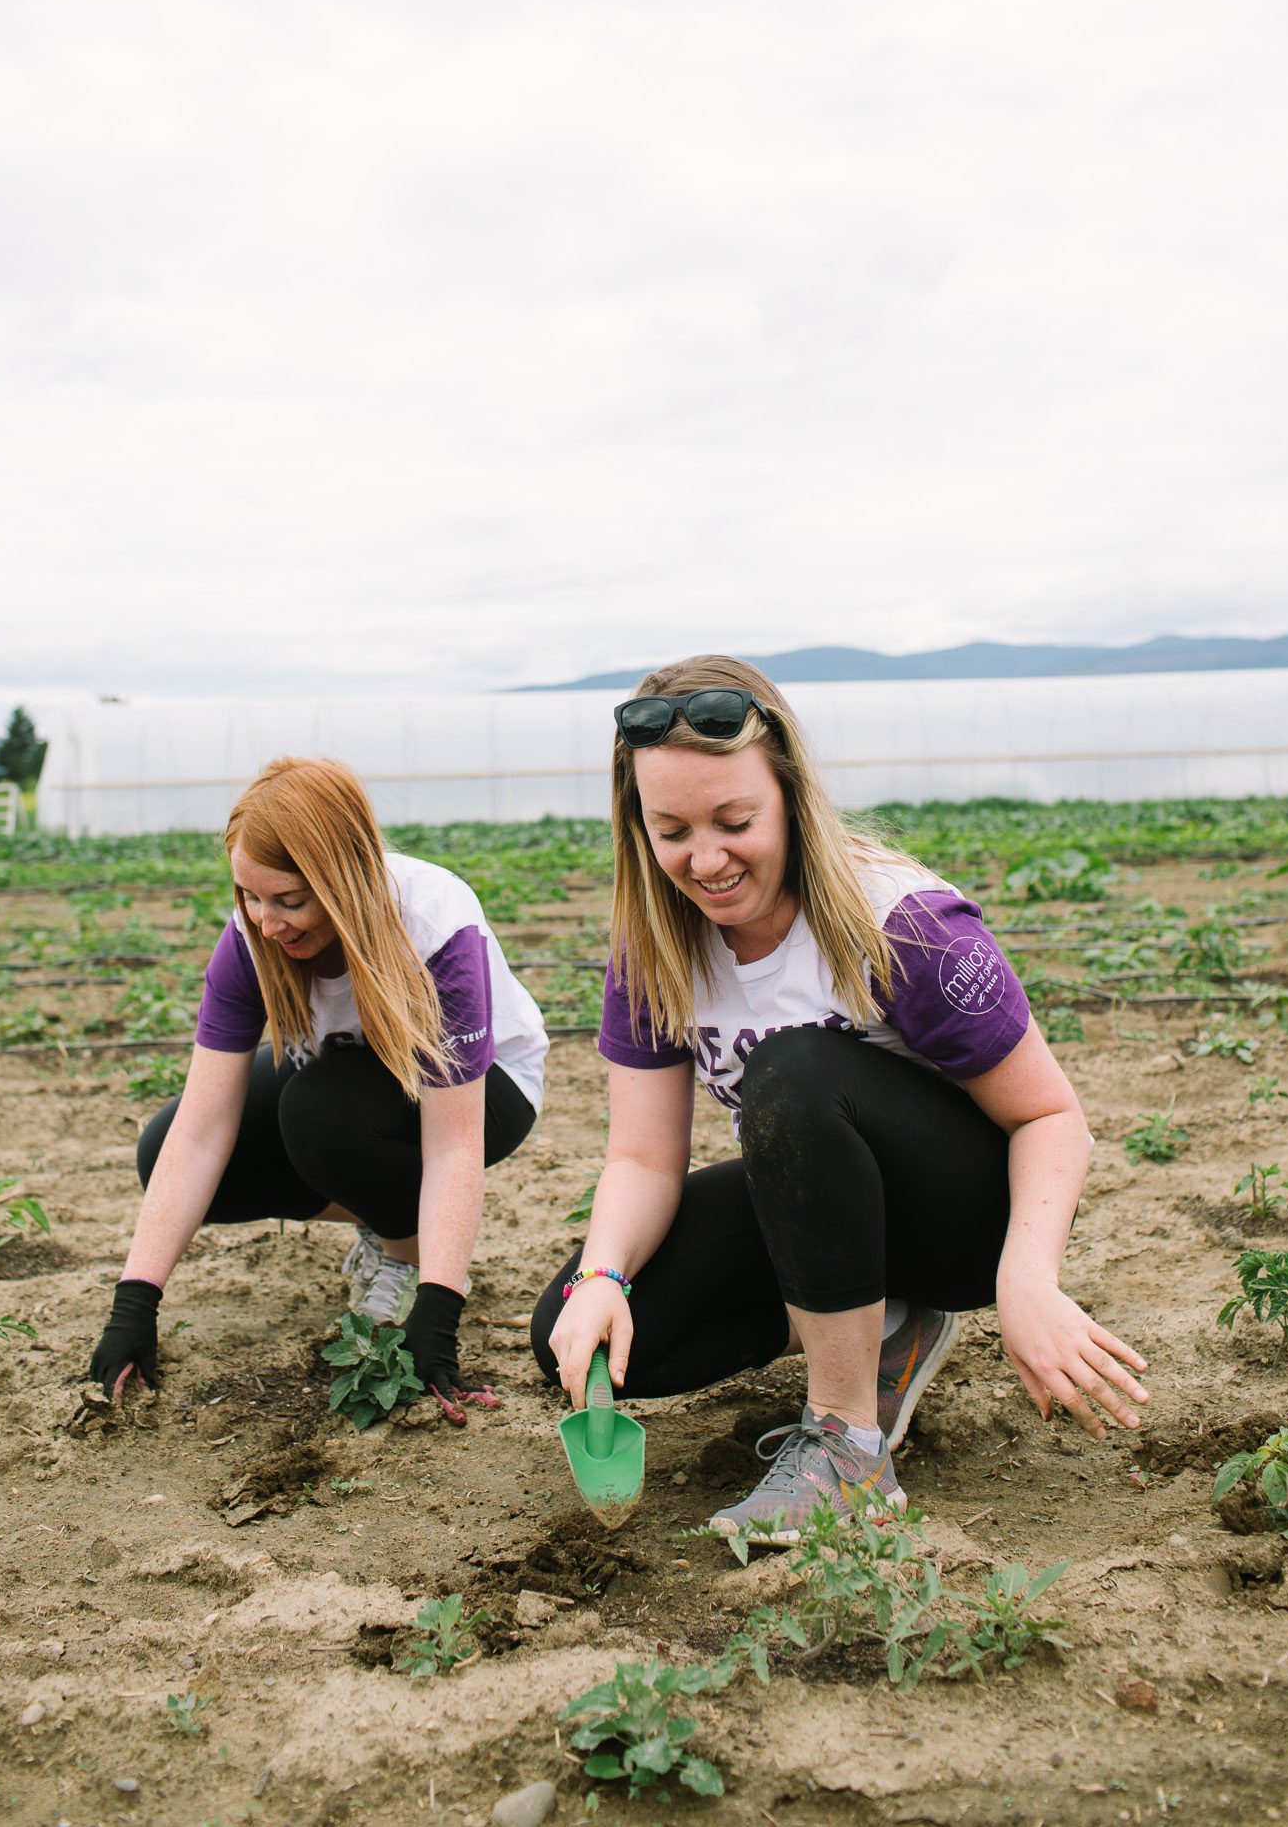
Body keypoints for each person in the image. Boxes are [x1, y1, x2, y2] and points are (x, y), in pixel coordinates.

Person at [533, 656, 1148, 1540]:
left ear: (788, 792)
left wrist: (1028, 1281)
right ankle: (883, 1327)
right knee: (581, 1331)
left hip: (962, 1221)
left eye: (734, 820)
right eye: (671, 830)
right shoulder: (654, 950)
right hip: (821, 1200)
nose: (705, 860)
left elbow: (1049, 1117)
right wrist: (602, 1276)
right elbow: (642, 1157)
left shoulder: (902, 925)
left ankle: (848, 1443)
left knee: (792, 1071)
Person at [89, 756, 548, 1424]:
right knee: (161, 1149)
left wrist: (438, 1311)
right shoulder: (252, 938)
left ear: (344, 878)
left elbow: (454, 1143)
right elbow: (201, 1127)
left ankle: (401, 1251)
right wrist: (134, 1302)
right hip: (347, 1085)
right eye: (250, 895)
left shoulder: (434, 923)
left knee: (319, 1114)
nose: (265, 921)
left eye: (290, 900)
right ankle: (388, 1209)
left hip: (489, 1092)